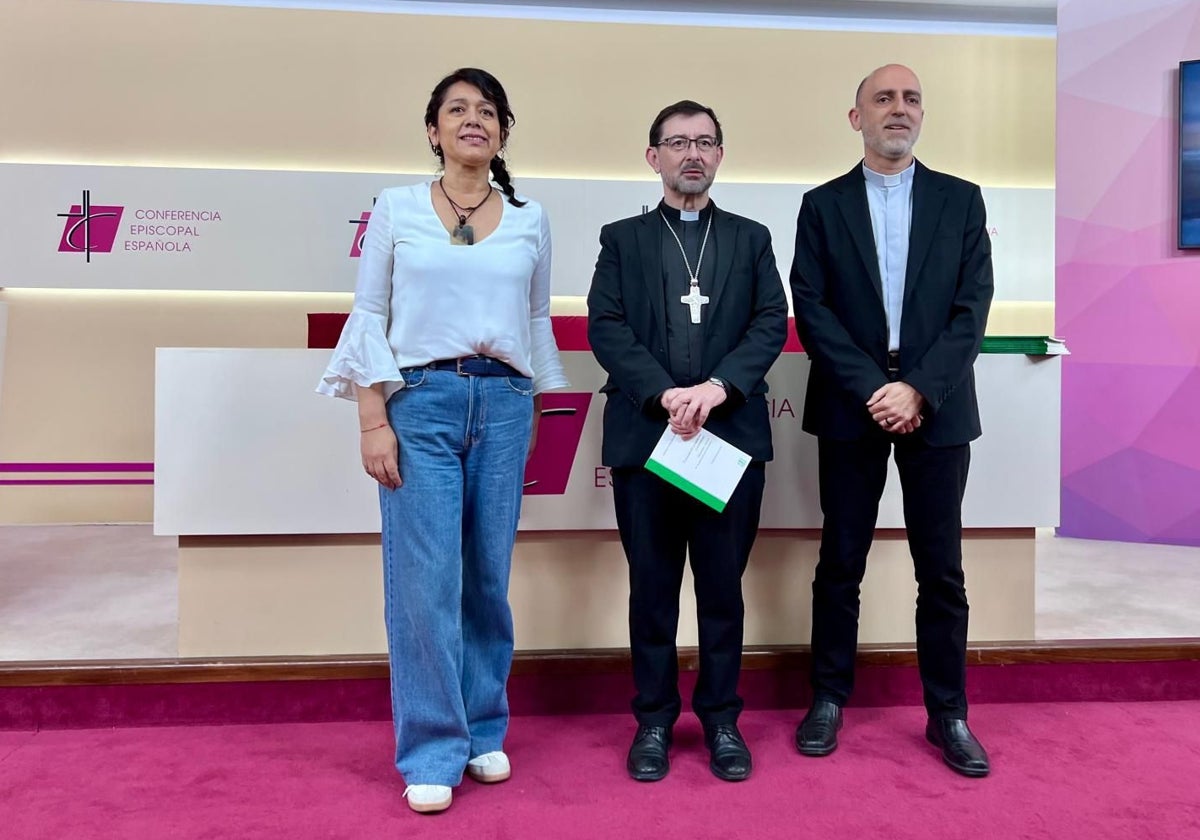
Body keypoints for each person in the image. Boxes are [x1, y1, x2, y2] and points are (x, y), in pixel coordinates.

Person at [316, 67, 568, 813]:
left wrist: (540, 416)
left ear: (503, 132)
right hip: (419, 404)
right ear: (433, 130)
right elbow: (368, 316)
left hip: (504, 404)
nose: (472, 121)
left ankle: (484, 728)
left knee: (486, 578)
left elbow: (534, 324)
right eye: (457, 110)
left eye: (487, 111)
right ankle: (432, 748)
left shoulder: (530, 217)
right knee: (425, 583)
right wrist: (372, 420)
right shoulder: (396, 208)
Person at [789, 64, 994, 778]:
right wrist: (878, 386)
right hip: (853, 402)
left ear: (921, 115)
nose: (898, 109)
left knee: (942, 570)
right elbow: (811, 308)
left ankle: (949, 714)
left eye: (910, 99)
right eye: (883, 99)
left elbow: (972, 312)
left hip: (937, 407)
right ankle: (827, 699)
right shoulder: (821, 206)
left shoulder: (962, 201)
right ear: (857, 118)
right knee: (840, 562)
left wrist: (918, 391)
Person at [587, 100, 788, 783]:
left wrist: (718, 388)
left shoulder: (751, 238)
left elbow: (769, 324)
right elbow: (607, 327)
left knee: (722, 589)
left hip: (726, 439)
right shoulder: (622, 239)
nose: (692, 154)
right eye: (677, 143)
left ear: (720, 155)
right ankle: (652, 721)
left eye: (705, 142)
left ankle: (723, 719)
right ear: (654, 158)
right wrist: (666, 393)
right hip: (650, 438)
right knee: (652, 588)